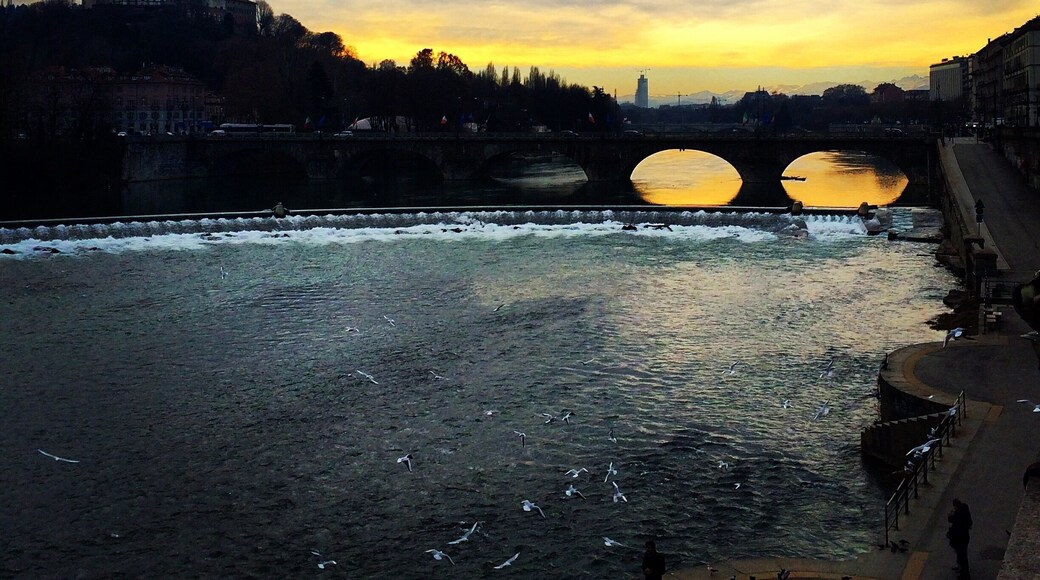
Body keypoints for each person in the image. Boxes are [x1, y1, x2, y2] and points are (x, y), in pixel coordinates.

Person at [947, 498, 973, 578]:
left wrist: (950, 515)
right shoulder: (965, 509)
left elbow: (951, 520)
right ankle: (961, 569)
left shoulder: (958, 514)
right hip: (965, 537)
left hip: (959, 539)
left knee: (962, 556)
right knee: (962, 555)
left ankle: (964, 574)